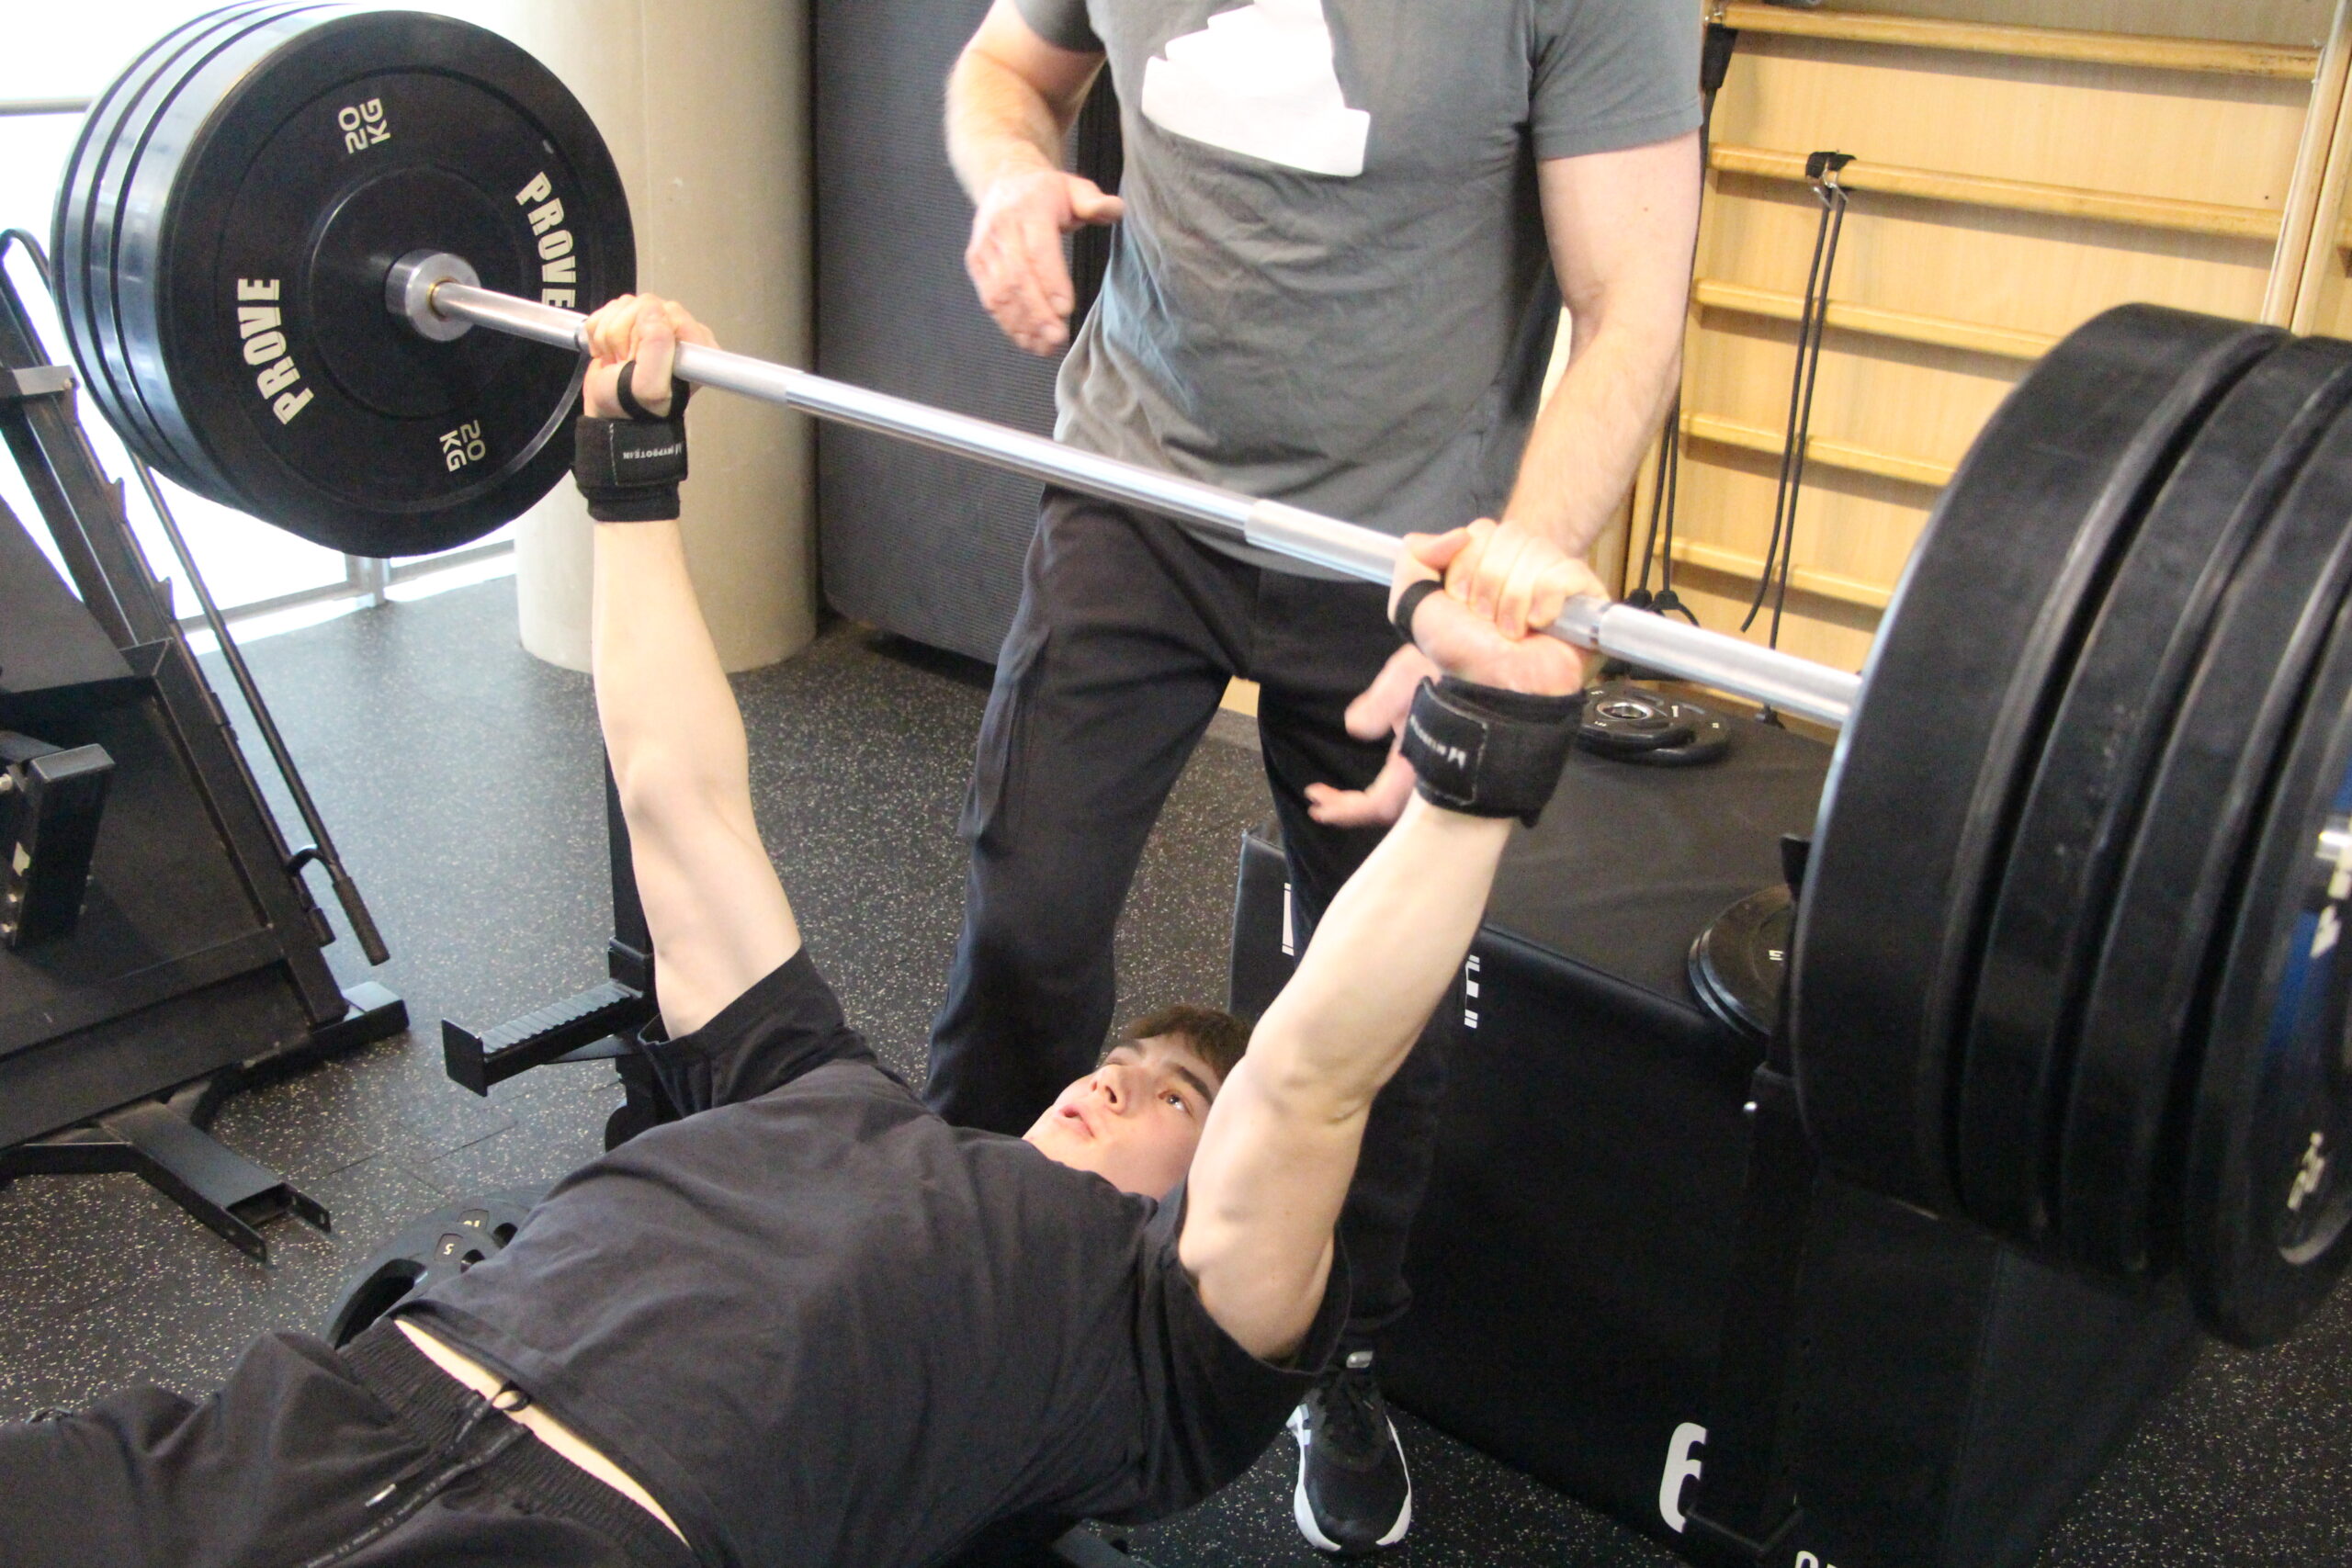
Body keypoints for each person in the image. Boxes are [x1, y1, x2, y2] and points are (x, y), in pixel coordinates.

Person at [0, 297, 1594, 1568]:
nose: (1114, 1082)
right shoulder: (816, 1088)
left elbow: (1313, 1077)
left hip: (599, 1528)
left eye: (1175, 1100)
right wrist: (629, 484)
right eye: (1122, 1062)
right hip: (318, 1415)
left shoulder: (1159, 1346)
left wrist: (1477, 774)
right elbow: (681, 805)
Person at [937, 0, 1701, 1549]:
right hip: (1135, 481)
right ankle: (958, 1292)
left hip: (1400, 545)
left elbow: (1630, 301)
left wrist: (1508, 581)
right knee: (1029, 915)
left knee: (1376, 1002)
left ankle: (1335, 1353)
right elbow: (1008, 67)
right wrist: (1010, 173)